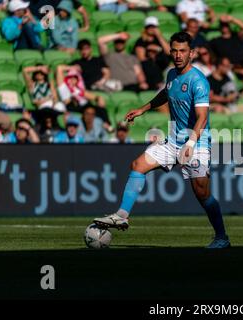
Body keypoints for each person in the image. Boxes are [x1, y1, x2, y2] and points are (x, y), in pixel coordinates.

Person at [93, 32, 230, 249]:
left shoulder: (199, 82)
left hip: (197, 142)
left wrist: (191, 144)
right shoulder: (171, 75)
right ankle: (122, 215)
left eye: (182, 51)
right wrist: (142, 109)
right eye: (174, 50)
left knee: (202, 193)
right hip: (174, 139)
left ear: (192, 53)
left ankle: (222, 237)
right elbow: (165, 94)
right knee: (138, 165)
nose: (178, 55)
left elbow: (202, 118)